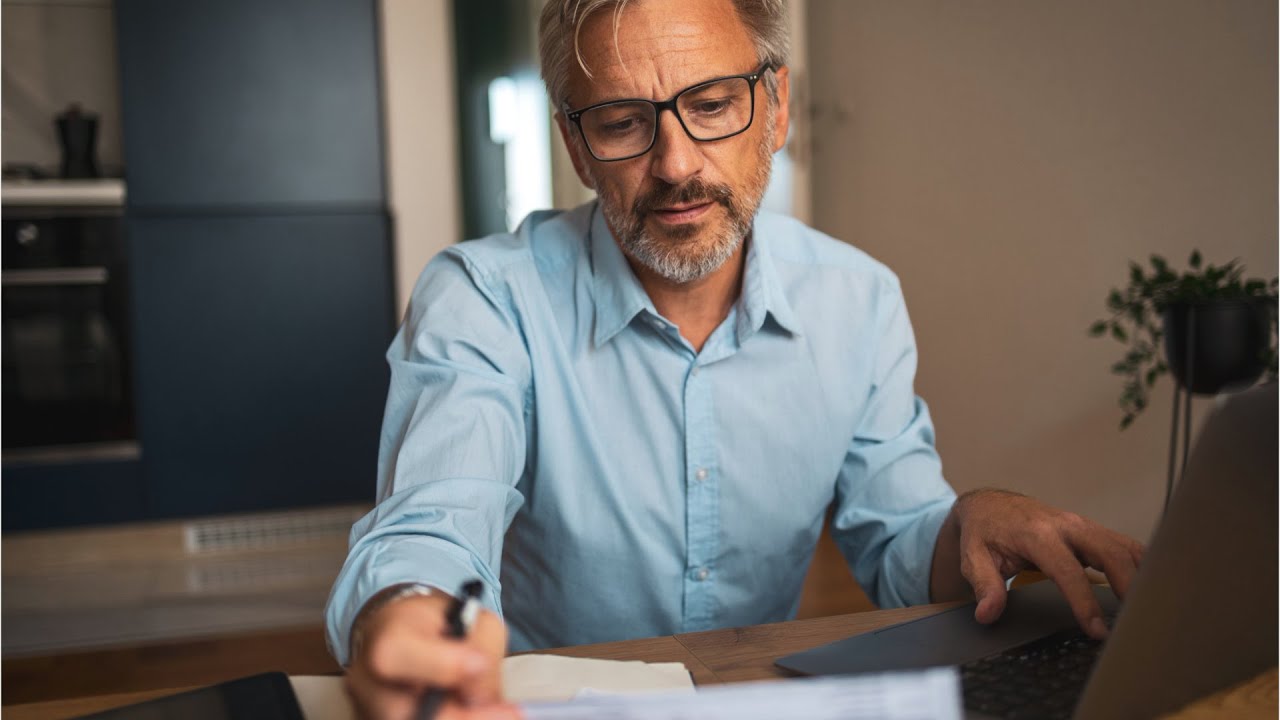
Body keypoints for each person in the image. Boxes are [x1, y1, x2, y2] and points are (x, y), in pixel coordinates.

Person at [327, 0, 1145, 717]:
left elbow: (901, 546)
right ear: (576, 146)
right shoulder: (483, 297)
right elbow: (434, 523)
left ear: (776, 107)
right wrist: (408, 612)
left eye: (712, 104)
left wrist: (971, 521)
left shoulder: (857, 301)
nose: (677, 164)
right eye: (622, 121)